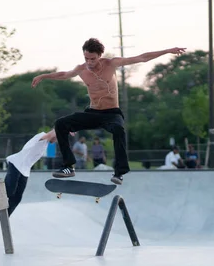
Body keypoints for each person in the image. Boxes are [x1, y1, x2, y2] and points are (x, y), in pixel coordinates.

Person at [32, 38, 185, 184]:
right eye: (86, 58)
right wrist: (44, 76)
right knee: (60, 124)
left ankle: (119, 172)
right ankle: (68, 166)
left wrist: (167, 51)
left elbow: (142, 58)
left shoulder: (112, 64)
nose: (89, 63)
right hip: (92, 113)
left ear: (100, 56)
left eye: (93, 59)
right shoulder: (81, 69)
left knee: (118, 130)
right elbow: (64, 75)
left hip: (112, 113)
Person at [4, 130, 58, 216]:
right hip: (16, 163)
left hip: (24, 170)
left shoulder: (46, 143)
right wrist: (65, 126)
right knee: (9, 191)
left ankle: (5, 218)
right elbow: (53, 132)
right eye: (57, 138)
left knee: (17, 198)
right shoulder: (42, 136)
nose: (56, 141)